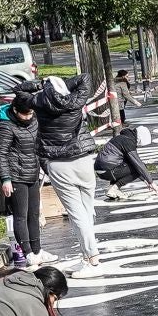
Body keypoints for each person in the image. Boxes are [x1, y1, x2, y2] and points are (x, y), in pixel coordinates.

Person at [36, 74, 105, 267]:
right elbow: (85, 78)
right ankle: (87, 255)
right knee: (87, 209)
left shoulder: (39, 103)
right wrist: (59, 84)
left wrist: (43, 85)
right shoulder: (75, 102)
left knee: (77, 214)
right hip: (83, 160)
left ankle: (92, 257)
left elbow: (20, 92)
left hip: (59, 164)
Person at [0, 91, 45, 268]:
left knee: (34, 213)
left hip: (32, 172)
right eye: (25, 114)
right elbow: (1, 153)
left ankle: (38, 250)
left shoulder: (34, 119)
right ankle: (28, 253)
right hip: (16, 176)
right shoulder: (6, 126)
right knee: (21, 215)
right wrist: (5, 179)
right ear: (15, 110)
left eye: (30, 113)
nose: (28, 117)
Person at [97, 124, 158, 200]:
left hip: (101, 170)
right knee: (140, 166)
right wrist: (151, 182)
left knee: (123, 164)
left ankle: (111, 188)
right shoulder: (128, 142)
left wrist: (145, 181)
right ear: (139, 139)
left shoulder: (123, 138)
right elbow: (138, 165)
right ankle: (114, 188)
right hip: (108, 170)